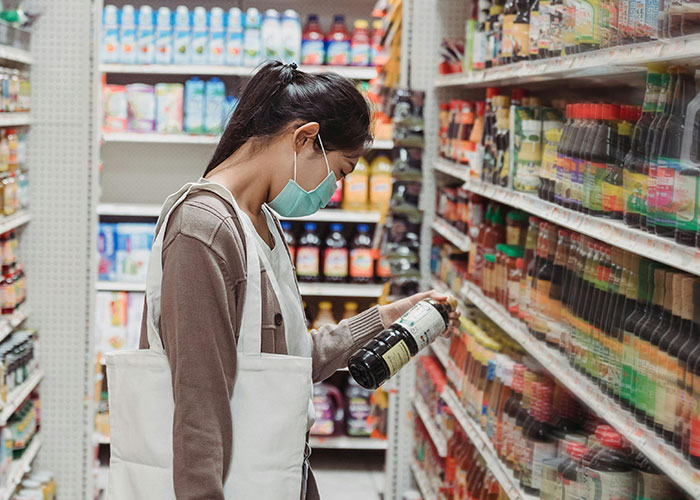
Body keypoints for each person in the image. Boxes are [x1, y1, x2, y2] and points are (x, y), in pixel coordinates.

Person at [108, 61, 458, 500]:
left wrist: (389, 318)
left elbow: (283, 366)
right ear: (304, 138)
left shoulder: (262, 222)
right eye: (341, 171)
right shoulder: (203, 229)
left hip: (274, 475)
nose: (333, 191)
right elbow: (199, 403)